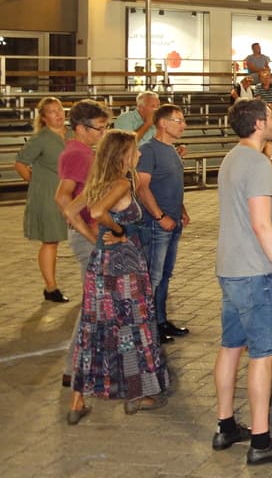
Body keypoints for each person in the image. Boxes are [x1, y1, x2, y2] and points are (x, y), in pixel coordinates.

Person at [212, 99, 272, 465]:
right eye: (270, 117)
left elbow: (248, 214)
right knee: (263, 356)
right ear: (258, 123)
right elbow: (258, 224)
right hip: (254, 271)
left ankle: (225, 426)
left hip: (230, 265)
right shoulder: (257, 163)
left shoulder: (232, 158)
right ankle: (261, 440)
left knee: (230, 346)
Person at [64, 129, 170, 423]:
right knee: (132, 326)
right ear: (123, 154)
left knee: (94, 325)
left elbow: (72, 212)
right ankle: (136, 394)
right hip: (125, 265)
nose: (138, 154)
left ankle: (76, 401)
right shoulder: (121, 183)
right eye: (135, 150)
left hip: (101, 264)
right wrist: (119, 231)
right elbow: (97, 212)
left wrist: (95, 238)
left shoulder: (100, 182)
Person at [55, 99, 110, 384]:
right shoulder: (79, 154)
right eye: (99, 128)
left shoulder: (78, 150)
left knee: (96, 301)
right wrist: (87, 232)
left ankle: (79, 366)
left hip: (86, 232)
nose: (103, 133)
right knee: (93, 303)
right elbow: (64, 199)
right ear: (81, 127)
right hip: (87, 235)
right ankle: (74, 368)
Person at [134, 104, 191, 344]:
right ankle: (148, 327)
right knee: (153, 277)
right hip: (157, 224)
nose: (183, 125)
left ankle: (161, 320)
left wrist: (181, 210)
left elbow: (173, 184)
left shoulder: (171, 150)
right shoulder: (148, 150)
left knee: (165, 275)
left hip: (172, 220)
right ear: (163, 123)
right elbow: (141, 187)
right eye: (178, 120)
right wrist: (159, 216)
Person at [16, 96, 69, 302]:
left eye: (60, 109)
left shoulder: (72, 133)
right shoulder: (41, 138)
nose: (58, 114)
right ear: (44, 118)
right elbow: (20, 163)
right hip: (47, 195)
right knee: (50, 240)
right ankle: (50, 287)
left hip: (71, 193)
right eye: (53, 112)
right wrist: (36, 182)